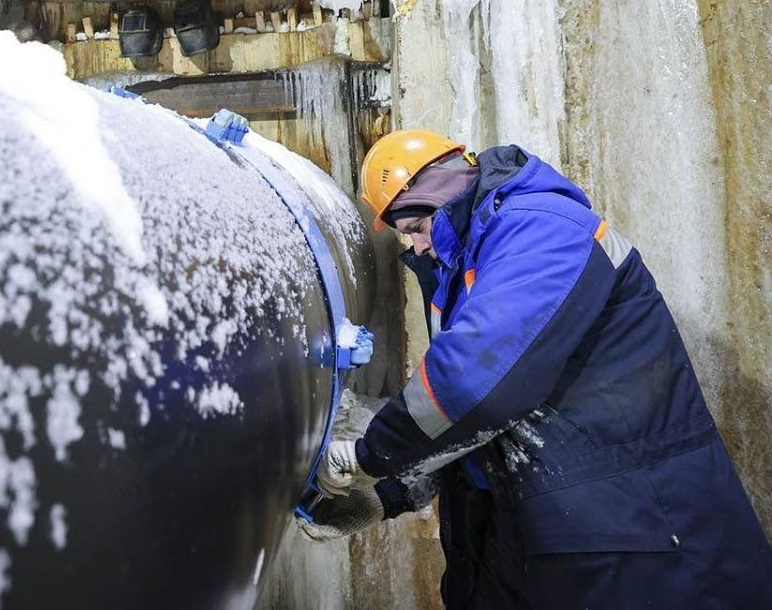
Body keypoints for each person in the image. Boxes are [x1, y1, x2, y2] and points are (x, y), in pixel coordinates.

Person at [316, 130, 772, 608]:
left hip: (635, 526)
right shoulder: (470, 265)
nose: (418, 246)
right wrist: (392, 492)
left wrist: (368, 456)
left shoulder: (542, 229)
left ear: (436, 192)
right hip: (553, 523)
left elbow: (471, 384)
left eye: (416, 227)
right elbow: (478, 425)